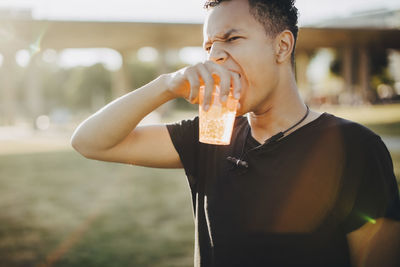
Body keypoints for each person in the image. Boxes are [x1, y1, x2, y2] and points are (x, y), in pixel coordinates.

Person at [71, 0, 400, 266]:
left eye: (231, 39)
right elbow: (89, 142)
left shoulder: (357, 147)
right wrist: (166, 85)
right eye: (209, 46)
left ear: (282, 47)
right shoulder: (210, 137)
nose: (215, 56)